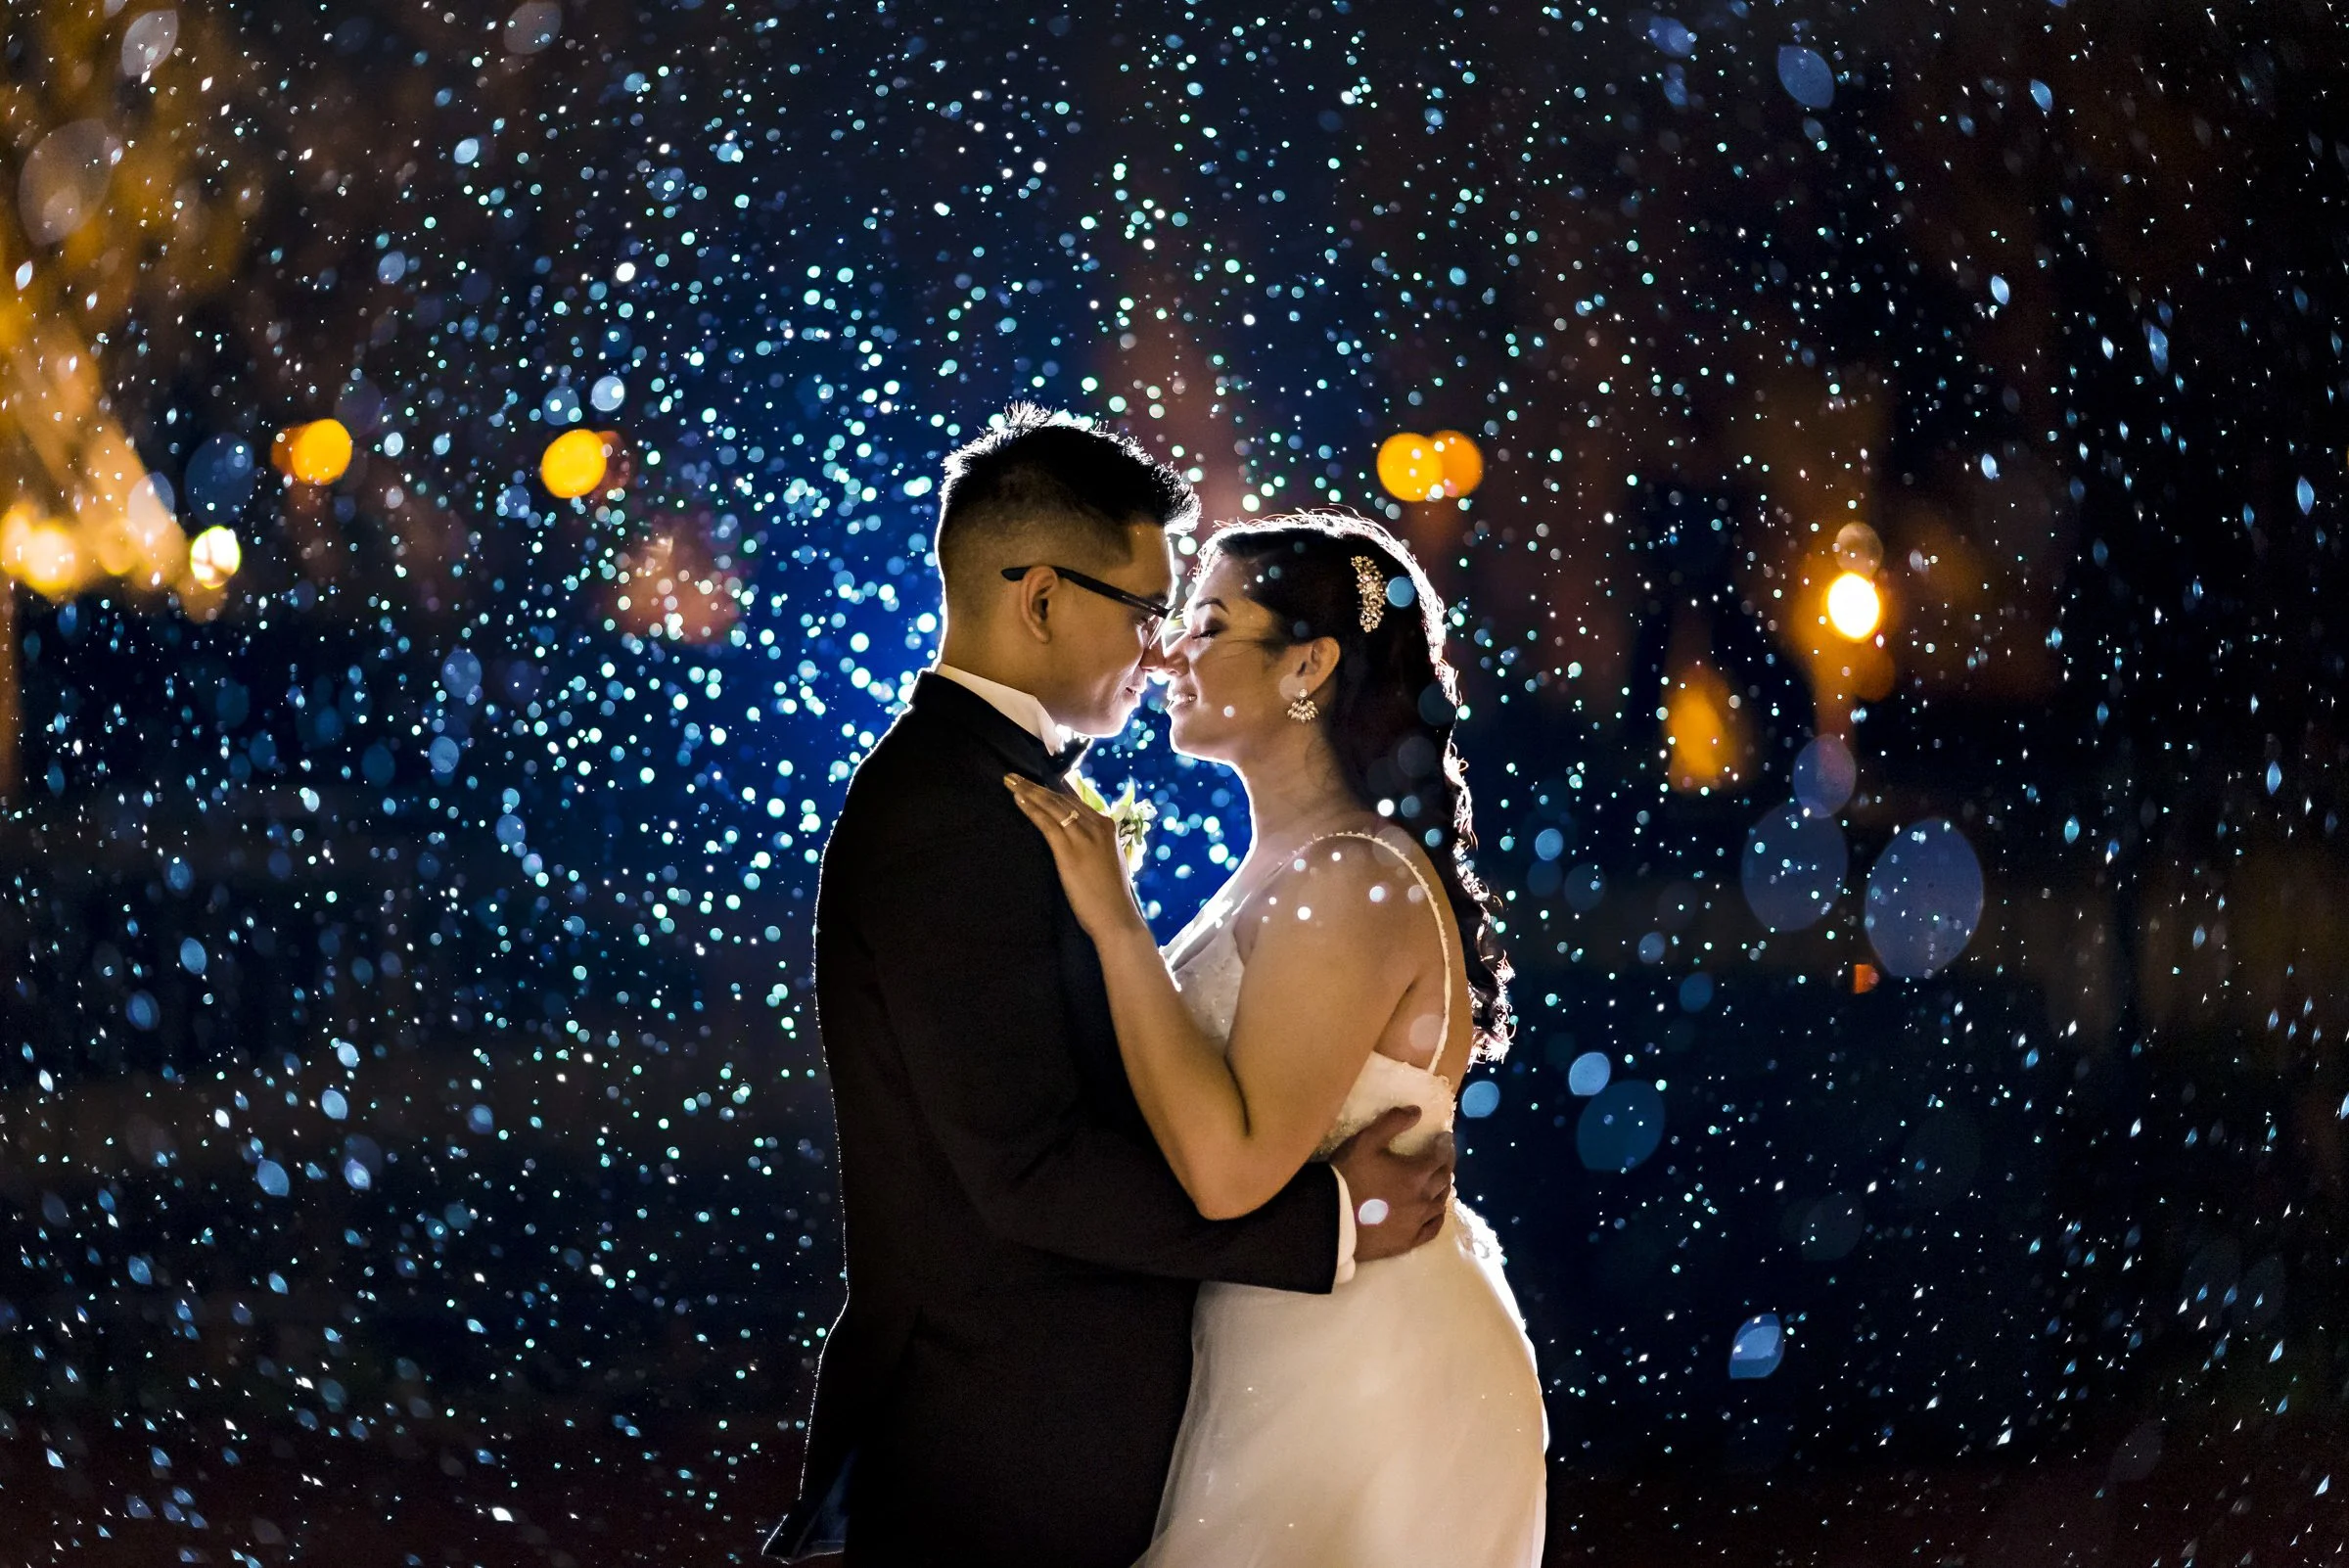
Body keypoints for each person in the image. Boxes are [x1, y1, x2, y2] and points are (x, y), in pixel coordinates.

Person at [762, 410, 1457, 1567]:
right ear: (1039, 599)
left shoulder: (998, 794)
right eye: (1145, 612)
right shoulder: (954, 815)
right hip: (1005, 1433)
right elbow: (1027, 1169)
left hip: (1074, 1430)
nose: (1160, 650)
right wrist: (1332, 1223)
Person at [1005, 510, 1548, 1567]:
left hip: (1361, 1371)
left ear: (1308, 664)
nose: (1166, 651)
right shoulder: (1288, 865)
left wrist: (1114, 923)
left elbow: (1232, 1173)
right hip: (1278, 1344)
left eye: (1207, 625)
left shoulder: (1351, 878)